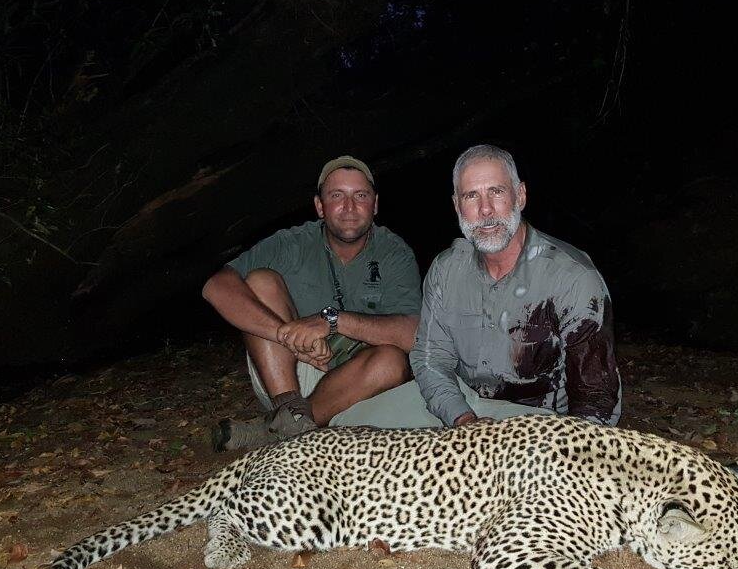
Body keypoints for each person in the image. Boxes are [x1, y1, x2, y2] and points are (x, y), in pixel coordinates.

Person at [330, 143, 621, 429]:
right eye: (471, 196)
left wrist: (567, 457)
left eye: (496, 191)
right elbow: (431, 359)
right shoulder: (445, 270)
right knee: (353, 424)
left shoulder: (572, 277)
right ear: (457, 206)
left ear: (519, 196)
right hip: (462, 405)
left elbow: (596, 399)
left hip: (538, 422)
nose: (485, 210)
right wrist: (462, 418)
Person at [202, 155, 422, 449]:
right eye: (336, 196)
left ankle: (282, 429)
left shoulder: (395, 253)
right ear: (320, 206)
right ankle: (289, 412)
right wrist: (286, 335)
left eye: (360, 195)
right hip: (289, 372)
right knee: (260, 281)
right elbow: (216, 287)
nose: (349, 207)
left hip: (354, 386)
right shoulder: (291, 243)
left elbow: (414, 333)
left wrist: (332, 321)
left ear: (375, 204)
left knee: (392, 361)